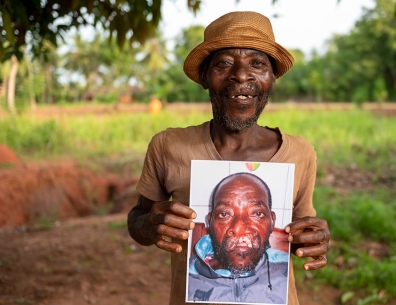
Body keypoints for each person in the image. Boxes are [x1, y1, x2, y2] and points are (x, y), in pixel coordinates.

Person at [127, 11, 330, 305]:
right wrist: (150, 225)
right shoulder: (168, 146)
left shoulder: (300, 154)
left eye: (257, 64)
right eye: (223, 63)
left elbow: (298, 233)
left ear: (272, 78)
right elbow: (137, 220)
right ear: (205, 77)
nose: (241, 75)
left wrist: (314, 240)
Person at [188, 172, 289, 303]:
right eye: (224, 214)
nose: (239, 228)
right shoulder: (188, 275)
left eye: (257, 213)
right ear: (210, 222)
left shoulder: (286, 269)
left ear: (272, 221)